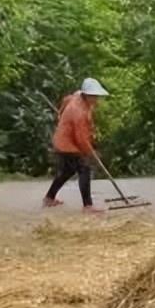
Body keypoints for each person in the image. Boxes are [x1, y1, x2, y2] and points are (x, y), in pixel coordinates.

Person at [42, 78, 110, 214]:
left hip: (64, 139)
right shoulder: (79, 113)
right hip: (67, 144)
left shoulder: (76, 96)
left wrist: (61, 114)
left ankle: (49, 198)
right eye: (93, 96)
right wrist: (90, 153)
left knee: (68, 171)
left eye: (97, 96)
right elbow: (81, 139)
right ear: (86, 95)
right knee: (85, 168)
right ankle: (88, 206)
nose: (96, 99)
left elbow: (65, 100)